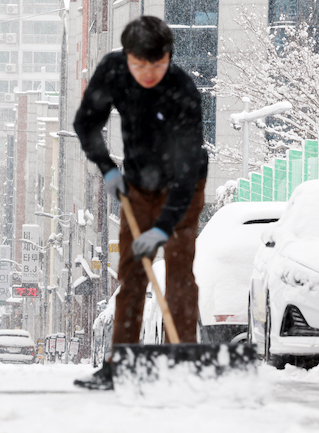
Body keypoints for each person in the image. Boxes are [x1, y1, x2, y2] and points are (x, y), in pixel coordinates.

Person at [72, 16, 208, 390]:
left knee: (179, 270)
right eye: (139, 64)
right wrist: (107, 169)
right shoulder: (113, 71)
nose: (148, 72)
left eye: (157, 64)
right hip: (136, 182)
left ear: (169, 57)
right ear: (127, 57)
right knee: (131, 273)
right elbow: (86, 123)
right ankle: (120, 363)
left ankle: (186, 364)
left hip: (185, 182)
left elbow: (186, 170)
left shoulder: (183, 91)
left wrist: (164, 227)